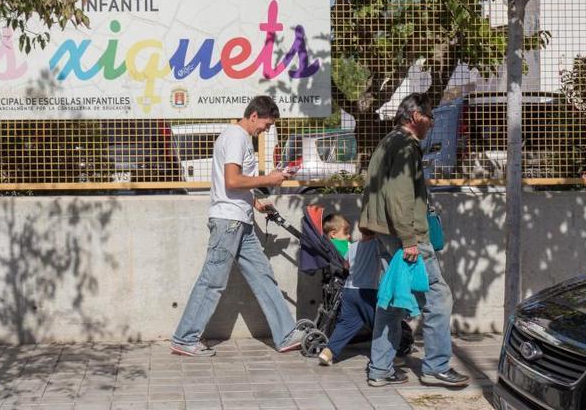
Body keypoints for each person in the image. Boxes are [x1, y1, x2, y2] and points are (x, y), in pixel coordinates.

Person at [170, 95, 305, 357]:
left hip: (240, 220)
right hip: (229, 222)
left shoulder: (239, 138)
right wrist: (270, 177)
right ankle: (184, 338)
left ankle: (286, 334)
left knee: (263, 276)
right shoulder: (236, 136)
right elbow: (232, 180)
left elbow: (234, 184)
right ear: (254, 115)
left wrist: (256, 201)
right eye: (265, 125)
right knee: (213, 281)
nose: (265, 131)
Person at [360, 93, 470, 387]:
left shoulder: (387, 142)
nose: (432, 122)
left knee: (392, 299)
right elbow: (400, 196)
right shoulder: (407, 147)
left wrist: (369, 226)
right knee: (438, 297)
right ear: (414, 117)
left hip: (385, 232)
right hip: (407, 235)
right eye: (429, 116)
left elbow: (372, 187)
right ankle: (436, 368)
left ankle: (380, 370)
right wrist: (409, 240)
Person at [316, 214, 413, 366]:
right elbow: (388, 263)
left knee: (346, 324)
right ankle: (391, 357)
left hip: (349, 291)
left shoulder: (353, 246)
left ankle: (328, 352)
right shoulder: (378, 245)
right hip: (368, 292)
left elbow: (346, 266)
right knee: (382, 324)